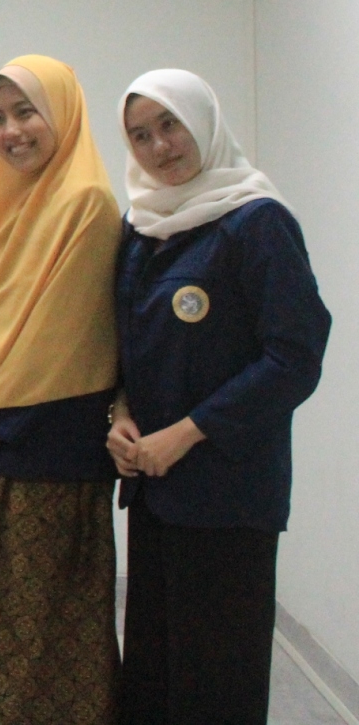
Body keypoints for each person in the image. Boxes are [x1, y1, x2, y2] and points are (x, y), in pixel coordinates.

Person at [109, 70, 331, 725]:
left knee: (216, 683)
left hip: (229, 497)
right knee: (153, 675)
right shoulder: (144, 225)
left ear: (202, 120)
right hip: (153, 494)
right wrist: (119, 413)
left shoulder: (256, 220)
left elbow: (295, 357)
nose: (159, 146)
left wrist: (188, 431)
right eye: (141, 134)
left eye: (170, 124)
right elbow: (128, 341)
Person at [0, 56, 121, 725]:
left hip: (51, 465)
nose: (12, 131)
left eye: (26, 112)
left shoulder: (87, 206)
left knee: (43, 659)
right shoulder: (7, 207)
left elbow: (58, 346)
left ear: (64, 114)